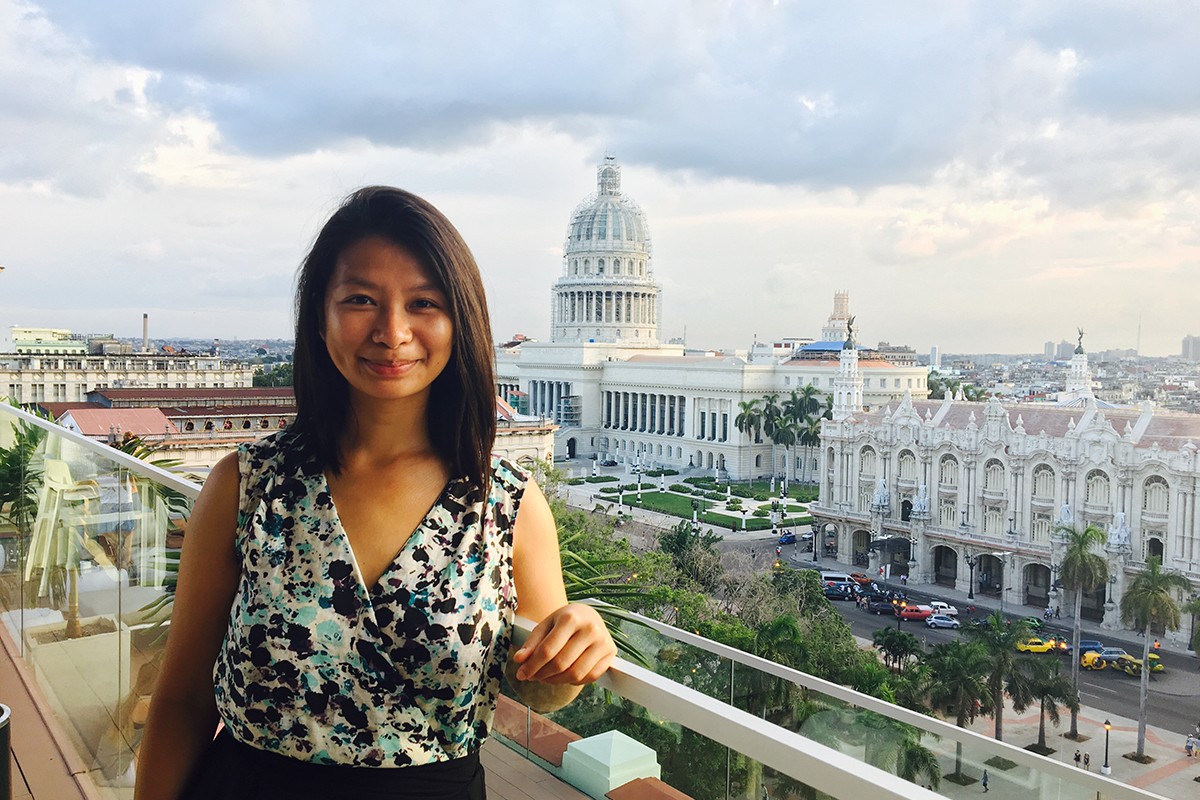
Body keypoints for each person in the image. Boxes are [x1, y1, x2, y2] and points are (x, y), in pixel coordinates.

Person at [135, 187, 617, 800]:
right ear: (320, 317)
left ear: (460, 321)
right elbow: (182, 700)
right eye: (361, 299)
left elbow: (543, 689)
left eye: (423, 303)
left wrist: (579, 635)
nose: (392, 332)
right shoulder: (247, 485)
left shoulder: (505, 504)